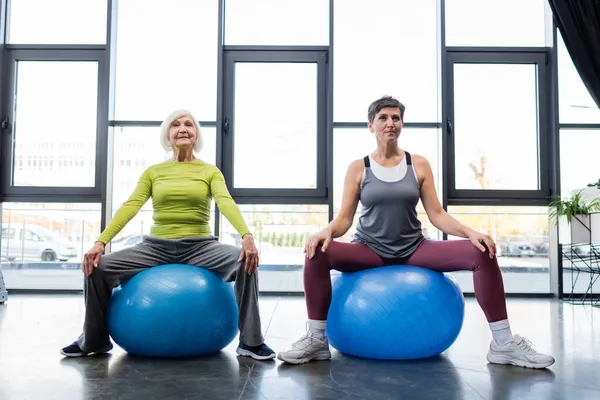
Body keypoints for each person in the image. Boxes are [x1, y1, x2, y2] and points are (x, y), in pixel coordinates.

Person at [277, 96, 555, 369]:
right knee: (315, 251)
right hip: (368, 250)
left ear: (402, 124)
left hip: (414, 249)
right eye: (383, 117)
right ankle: (316, 340)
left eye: (396, 117)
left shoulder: (418, 164)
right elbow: (344, 219)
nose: (390, 123)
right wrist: (325, 231)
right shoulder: (358, 168)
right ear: (370, 125)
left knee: (481, 252)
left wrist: (472, 233)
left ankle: (503, 344)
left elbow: (437, 214)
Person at [60, 110, 275, 361]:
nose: (182, 128)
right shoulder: (154, 172)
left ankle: (251, 342)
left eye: (188, 124)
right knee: (97, 268)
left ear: (196, 135)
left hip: (200, 247)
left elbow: (225, 201)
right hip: (155, 247)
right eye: (176, 125)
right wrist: (100, 242)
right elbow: (131, 206)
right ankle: (94, 340)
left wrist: (246, 236)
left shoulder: (210, 171)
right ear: (168, 135)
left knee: (245, 261)